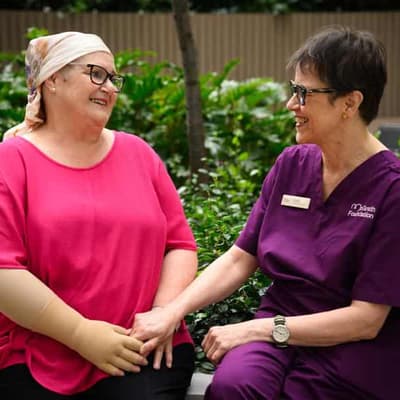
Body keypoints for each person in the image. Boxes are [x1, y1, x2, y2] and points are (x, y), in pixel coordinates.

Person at [132, 25, 400, 399]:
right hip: (277, 330)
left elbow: (366, 320)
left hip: (351, 348)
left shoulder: (391, 189)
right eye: (293, 90)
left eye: (304, 93)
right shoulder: (292, 164)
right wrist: (172, 311)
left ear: (349, 104)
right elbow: (241, 257)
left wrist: (256, 329)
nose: (291, 104)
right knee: (233, 387)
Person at [0, 31, 198, 399]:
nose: (109, 87)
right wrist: (81, 334)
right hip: (39, 354)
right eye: (96, 74)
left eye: (113, 78)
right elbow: (3, 270)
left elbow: (180, 245)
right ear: (52, 80)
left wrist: (161, 315)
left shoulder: (139, 154)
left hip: (142, 350)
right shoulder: (12, 160)